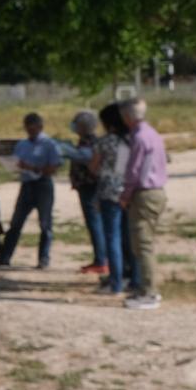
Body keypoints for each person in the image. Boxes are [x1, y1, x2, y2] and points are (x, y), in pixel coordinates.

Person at [0, 111, 61, 269]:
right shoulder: (22, 144)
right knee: (16, 222)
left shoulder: (49, 144)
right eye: (28, 129)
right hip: (26, 185)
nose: (30, 132)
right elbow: (16, 162)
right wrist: (14, 166)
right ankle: (5, 256)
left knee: (45, 223)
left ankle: (43, 258)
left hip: (43, 185)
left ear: (40, 127)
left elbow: (54, 168)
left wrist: (34, 168)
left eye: (33, 129)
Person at [118, 97, 169, 310]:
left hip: (144, 193)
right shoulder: (153, 134)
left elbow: (134, 170)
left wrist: (125, 195)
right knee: (144, 243)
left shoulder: (139, 137)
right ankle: (145, 288)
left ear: (127, 117)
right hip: (157, 191)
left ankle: (149, 292)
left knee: (143, 244)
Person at [88, 104, 129, 297]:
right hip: (129, 191)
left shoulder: (104, 142)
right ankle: (133, 277)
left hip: (109, 192)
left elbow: (93, 167)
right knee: (128, 237)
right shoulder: (131, 139)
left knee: (112, 238)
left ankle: (116, 282)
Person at [64, 109, 108, 276]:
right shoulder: (86, 142)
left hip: (90, 188)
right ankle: (102, 259)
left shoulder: (91, 143)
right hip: (86, 187)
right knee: (96, 223)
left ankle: (101, 260)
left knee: (95, 223)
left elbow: (88, 161)